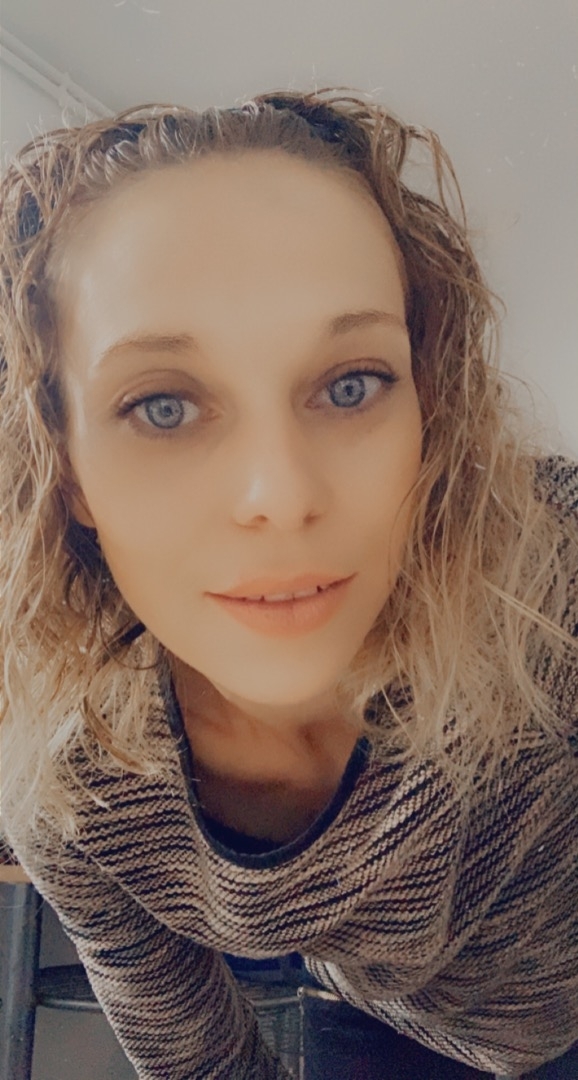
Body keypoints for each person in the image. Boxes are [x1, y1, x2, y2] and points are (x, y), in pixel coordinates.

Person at [0, 86, 576, 1080]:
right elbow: (198, 1060)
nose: (282, 495)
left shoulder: (548, 563)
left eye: (351, 385)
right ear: (68, 467)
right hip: (387, 1029)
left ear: (430, 405)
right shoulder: (73, 791)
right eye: (163, 405)